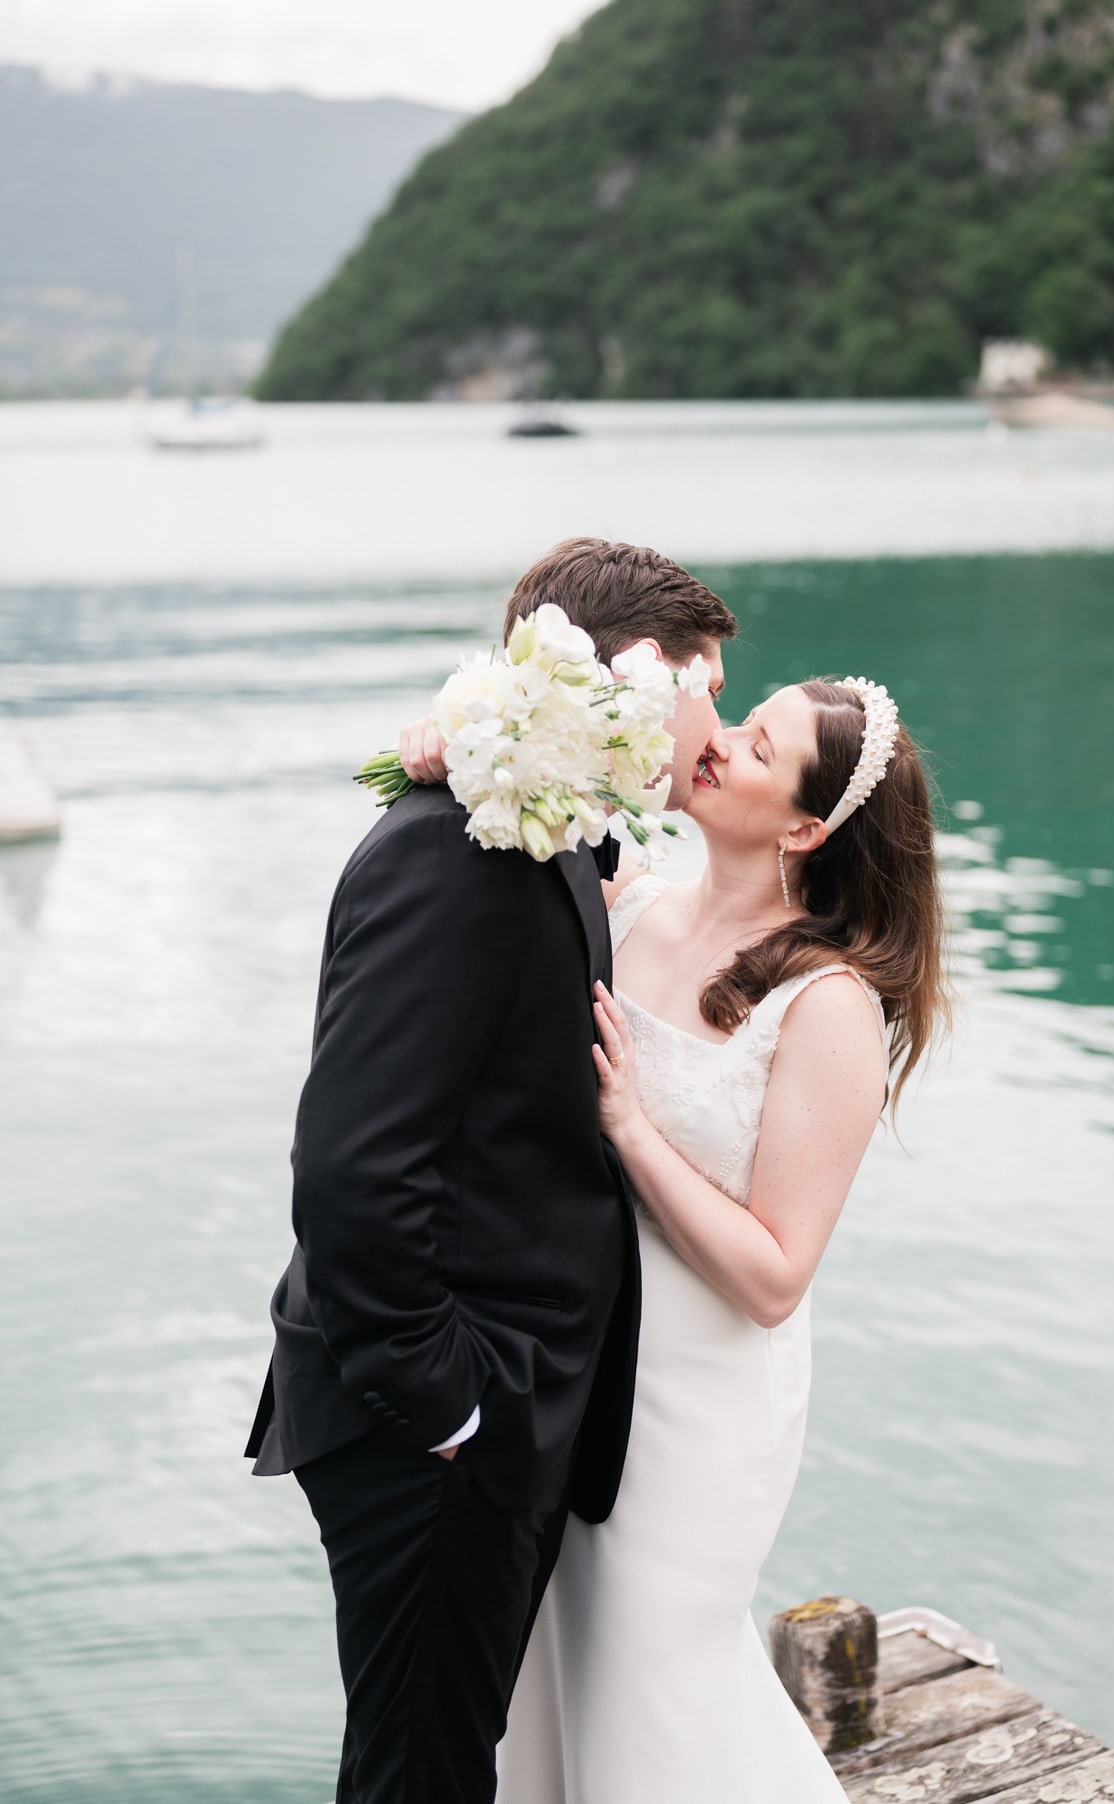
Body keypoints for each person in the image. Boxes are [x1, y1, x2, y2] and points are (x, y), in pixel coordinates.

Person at [244, 537, 737, 1804]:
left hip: (491, 1412)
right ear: (639, 680)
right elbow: (353, 1169)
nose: (716, 719)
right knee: (423, 1772)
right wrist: (455, 1405)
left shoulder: (542, 825)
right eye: (709, 685)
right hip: (432, 1427)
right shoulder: (449, 856)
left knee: (445, 1755)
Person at [400, 672, 946, 1804]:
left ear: (804, 824)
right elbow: (525, 803)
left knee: (655, 1679)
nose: (721, 743)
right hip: (575, 1367)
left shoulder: (827, 1003)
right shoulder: (633, 908)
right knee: (560, 1664)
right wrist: (448, 749)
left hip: (698, 1406)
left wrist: (633, 1129)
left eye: (757, 744)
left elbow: (777, 1275)